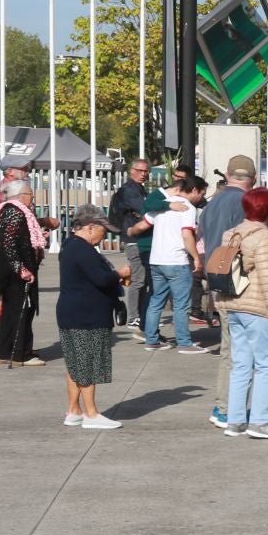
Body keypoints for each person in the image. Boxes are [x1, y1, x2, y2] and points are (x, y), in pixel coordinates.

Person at [215, 187, 268, 439]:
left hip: (232, 305)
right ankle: (259, 421)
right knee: (266, 364)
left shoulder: (231, 234)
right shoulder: (264, 237)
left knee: (240, 365)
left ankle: (235, 421)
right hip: (257, 307)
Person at [55, 205, 128, 429]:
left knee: (75, 365)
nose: (103, 235)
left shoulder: (70, 246)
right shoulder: (83, 249)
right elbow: (102, 279)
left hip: (72, 312)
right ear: (90, 227)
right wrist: (120, 273)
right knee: (87, 365)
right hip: (86, 315)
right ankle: (91, 414)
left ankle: (74, 410)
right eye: (102, 231)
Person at [199, 156, 258, 428]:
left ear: (227, 174)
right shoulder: (243, 203)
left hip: (217, 279)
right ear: (253, 179)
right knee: (236, 351)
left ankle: (225, 406)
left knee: (231, 349)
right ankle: (225, 407)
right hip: (238, 283)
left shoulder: (212, 204)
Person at [0, 179, 48, 366]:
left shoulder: (12, 211)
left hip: (12, 269)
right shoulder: (14, 211)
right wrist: (22, 269)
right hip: (15, 271)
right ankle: (21, 353)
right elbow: (8, 244)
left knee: (12, 311)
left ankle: (5, 352)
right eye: (30, 194)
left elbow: (14, 239)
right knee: (21, 309)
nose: (32, 197)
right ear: (20, 196)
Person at [142, 174, 205, 354]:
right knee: (181, 304)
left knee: (156, 301)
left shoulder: (164, 203)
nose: (201, 198)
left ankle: (151, 339)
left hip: (156, 259)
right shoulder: (187, 208)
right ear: (194, 190)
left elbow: (144, 223)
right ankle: (184, 342)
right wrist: (196, 256)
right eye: (201, 193)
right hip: (176, 261)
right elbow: (187, 235)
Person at [107, 158, 153, 325]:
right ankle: (134, 317)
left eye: (146, 171)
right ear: (131, 171)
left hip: (139, 238)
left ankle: (140, 315)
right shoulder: (129, 190)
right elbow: (144, 207)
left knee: (143, 279)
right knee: (138, 279)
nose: (143, 174)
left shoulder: (139, 189)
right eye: (140, 170)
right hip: (133, 239)